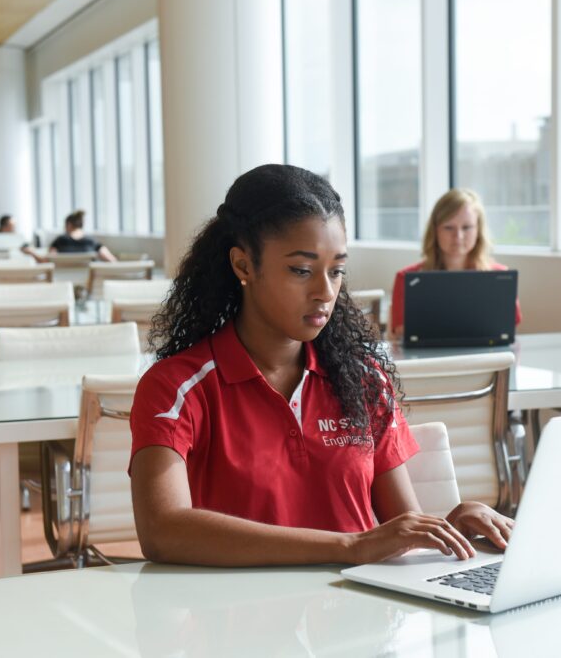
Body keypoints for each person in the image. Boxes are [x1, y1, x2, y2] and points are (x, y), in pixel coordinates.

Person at [129, 164, 513, 567]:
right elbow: (162, 530)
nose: (325, 292)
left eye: (337, 271)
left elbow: (400, 528)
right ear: (243, 266)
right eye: (301, 270)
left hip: (363, 616)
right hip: (239, 621)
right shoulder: (176, 386)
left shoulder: (364, 379)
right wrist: (350, 546)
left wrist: (453, 524)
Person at [390, 188, 522, 338]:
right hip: (427, 360)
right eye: (448, 227)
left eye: (466, 227)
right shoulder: (406, 278)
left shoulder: (502, 279)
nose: (458, 236)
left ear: (479, 230)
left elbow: (508, 330)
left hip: (486, 360)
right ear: (435, 230)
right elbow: (402, 333)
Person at [24, 210, 116, 261]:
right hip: (87, 285)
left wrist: (31, 252)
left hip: (62, 282)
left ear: (68, 225)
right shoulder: (92, 241)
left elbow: (46, 261)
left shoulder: (60, 241)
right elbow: (112, 260)